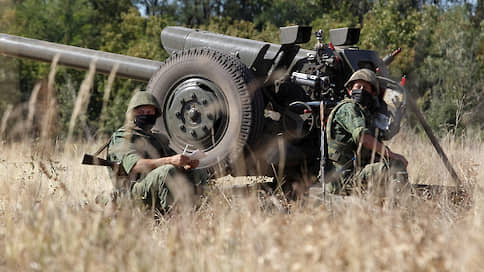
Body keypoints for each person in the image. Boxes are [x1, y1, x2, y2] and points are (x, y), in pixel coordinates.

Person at [107, 91, 207, 212]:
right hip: (131, 191)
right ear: (133, 114)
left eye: (149, 112)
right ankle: (170, 217)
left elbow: (175, 163)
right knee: (167, 171)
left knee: (198, 172)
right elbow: (134, 165)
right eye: (141, 112)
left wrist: (187, 164)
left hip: (154, 185)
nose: (145, 115)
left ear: (155, 114)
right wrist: (170, 160)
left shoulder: (157, 138)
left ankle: (198, 209)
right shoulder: (124, 136)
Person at [325, 68, 408, 196]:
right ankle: (397, 208)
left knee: (387, 162)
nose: (362, 90)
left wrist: (396, 115)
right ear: (350, 90)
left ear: (373, 93)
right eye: (358, 86)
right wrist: (392, 155)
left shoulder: (364, 113)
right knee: (394, 166)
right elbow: (363, 138)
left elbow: (383, 135)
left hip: (353, 174)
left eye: (366, 87)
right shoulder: (349, 108)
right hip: (342, 180)